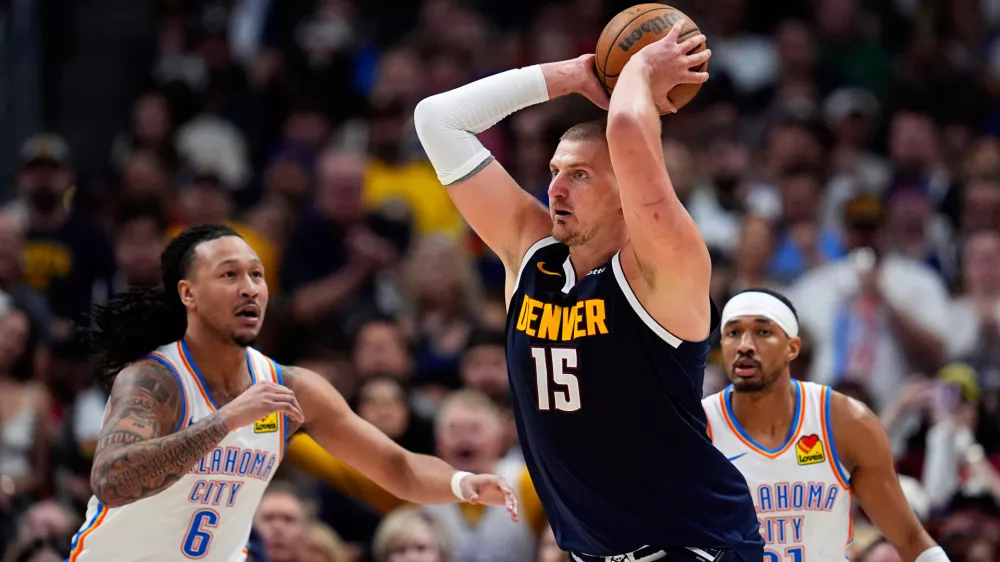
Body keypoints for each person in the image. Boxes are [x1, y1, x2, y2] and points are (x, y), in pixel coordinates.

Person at [414, 20, 762, 562]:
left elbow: (625, 126)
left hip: (695, 546)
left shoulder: (666, 266)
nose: (553, 187)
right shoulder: (531, 254)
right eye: (554, 171)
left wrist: (641, 70)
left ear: (626, 185)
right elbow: (437, 120)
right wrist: (572, 74)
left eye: (578, 175)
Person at [66, 224, 517, 561]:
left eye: (257, 275)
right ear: (189, 293)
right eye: (229, 275)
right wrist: (226, 420)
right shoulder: (155, 378)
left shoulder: (291, 388)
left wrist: (462, 483)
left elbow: (395, 466)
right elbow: (112, 481)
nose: (249, 288)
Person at [703, 288, 950, 562]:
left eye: (763, 332)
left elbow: (910, 538)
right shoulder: (698, 427)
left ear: (792, 348)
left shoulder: (845, 422)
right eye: (733, 333)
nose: (745, 345)